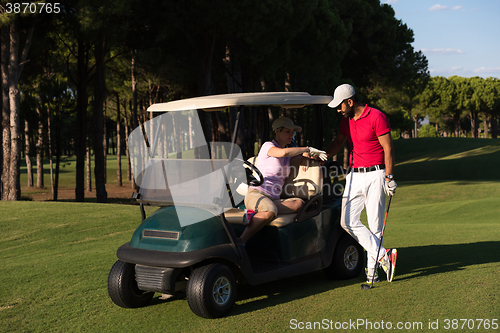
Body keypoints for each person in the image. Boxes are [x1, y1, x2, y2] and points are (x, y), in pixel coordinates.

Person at [325, 83, 398, 283]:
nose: (338, 110)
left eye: (340, 106)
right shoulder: (346, 121)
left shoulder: (377, 116)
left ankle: (371, 270)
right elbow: (338, 143)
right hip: (354, 175)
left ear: (350, 101)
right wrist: (321, 156)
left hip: (376, 174)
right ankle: (384, 255)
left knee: (375, 224)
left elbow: (388, 149)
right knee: (347, 221)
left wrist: (389, 177)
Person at [239, 117, 327, 245]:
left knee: (299, 204)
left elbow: (298, 156)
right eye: (287, 132)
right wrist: (306, 149)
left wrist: (312, 157)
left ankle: (255, 213)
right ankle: (241, 241)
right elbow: (283, 153)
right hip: (257, 194)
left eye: (293, 133)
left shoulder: (288, 155)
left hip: (273, 198)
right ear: (277, 132)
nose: (291, 135)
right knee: (269, 211)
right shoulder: (268, 146)